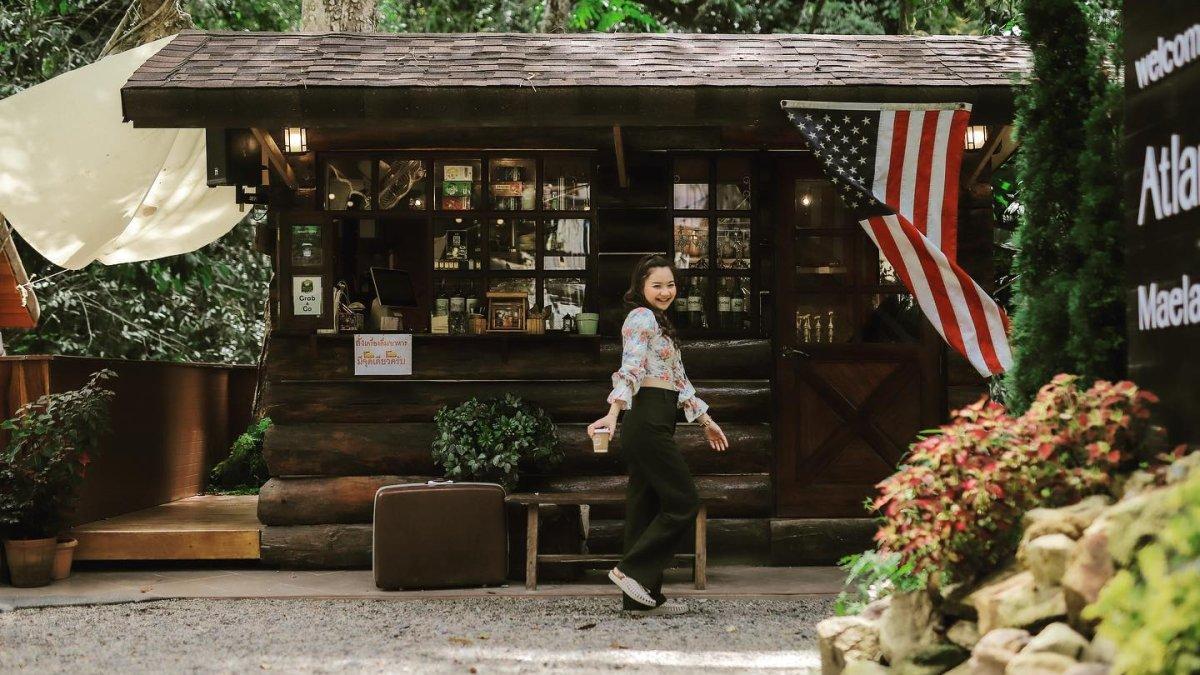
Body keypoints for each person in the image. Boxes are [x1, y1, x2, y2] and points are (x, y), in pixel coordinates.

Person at [587, 254, 730, 617]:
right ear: (641, 288)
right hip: (646, 419)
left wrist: (704, 419)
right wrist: (613, 411)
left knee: (644, 508)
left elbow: (678, 381)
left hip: (657, 418)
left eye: (670, 285)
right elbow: (630, 368)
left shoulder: (660, 323)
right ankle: (630, 571)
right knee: (683, 501)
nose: (665, 291)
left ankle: (639, 601)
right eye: (657, 285)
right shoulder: (641, 317)